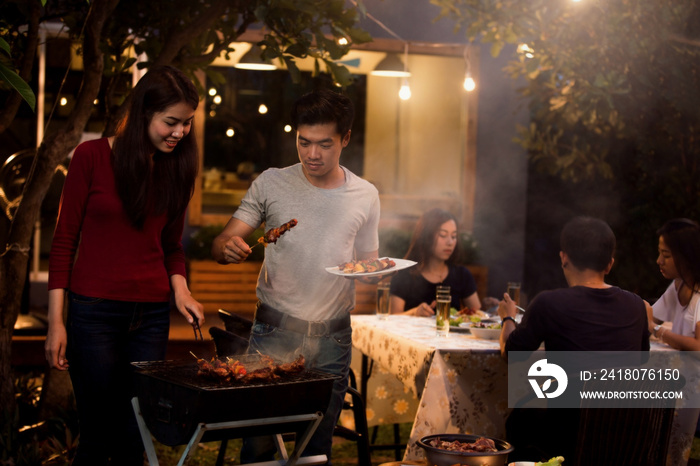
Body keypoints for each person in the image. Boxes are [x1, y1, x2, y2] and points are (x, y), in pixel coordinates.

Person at [45, 65, 205, 465]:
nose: (180, 132)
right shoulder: (91, 157)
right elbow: (64, 241)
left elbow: (171, 245)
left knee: (137, 434)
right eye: (171, 122)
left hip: (150, 315)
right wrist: (56, 321)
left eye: (186, 123)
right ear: (143, 113)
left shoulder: (178, 167)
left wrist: (181, 291)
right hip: (93, 312)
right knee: (99, 434)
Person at [211, 88, 380, 463]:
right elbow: (223, 240)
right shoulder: (271, 183)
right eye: (304, 142)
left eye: (324, 144)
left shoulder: (365, 195)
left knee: (316, 449)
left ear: (345, 139)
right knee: (258, 444)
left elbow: (369, 262)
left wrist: (373, 274)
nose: (312, 154)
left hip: (333, 338)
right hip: (274, 331)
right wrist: (226, 247)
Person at [497, 216, 649, 461]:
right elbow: (641, 361)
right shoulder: (636, 305)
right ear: (609, 264)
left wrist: (507, 318)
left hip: (566, 435)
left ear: (563, 257)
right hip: (625, 436)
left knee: (521, 418)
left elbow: (511, 354)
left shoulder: (549, 302)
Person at [647, 218, 700, 465]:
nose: (659, 261)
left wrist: (658, 331)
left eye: (665, 255)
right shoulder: (677, 286)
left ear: (686, 255)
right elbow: (650, 315)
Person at [389, 208, 481, 316]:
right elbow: (393, 318)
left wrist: (492, 308)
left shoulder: (462, 275)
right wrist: (414, 312)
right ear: (426, 236)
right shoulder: (404, 274)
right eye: (443, 235)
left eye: (454, 236)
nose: (450, 242)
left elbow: (478, 315)